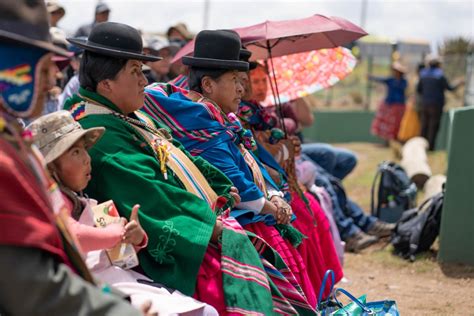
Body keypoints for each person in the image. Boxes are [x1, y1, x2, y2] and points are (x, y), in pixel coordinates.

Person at [64, 21, 312, 315]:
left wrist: (217, 184)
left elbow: (173, 150)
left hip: (200, 215)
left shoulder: (126, 116)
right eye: (134, 72)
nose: (144, 81)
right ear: (106, 84)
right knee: (225, 284)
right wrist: (211, 227)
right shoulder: (101, 133)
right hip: (166, 240)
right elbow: (150, 195)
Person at [0, 1, 146, 314]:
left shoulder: (12, 137)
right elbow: (33, 290)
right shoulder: (4, 158)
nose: (55, 80)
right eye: (44, 66)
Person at [28, 110, 219, 315]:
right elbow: (73, 235)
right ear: (50, 168)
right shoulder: (51, 205)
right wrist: (116, 233)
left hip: (120, 282)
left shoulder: (89, 204)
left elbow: (121, 259)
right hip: (87, 293)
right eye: (75, 152)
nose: (87, 158)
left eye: (85, 149)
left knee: (206, 312)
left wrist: (135, 239)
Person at [249, 63, 358, 181]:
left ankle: (327, 187)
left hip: (296, 146)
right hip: (285, 153)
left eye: (264, 80)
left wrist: (295, 91)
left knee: (348, 159)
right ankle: (326, 187)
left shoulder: (277, 101)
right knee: (326, 154)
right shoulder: (252, 111)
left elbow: (307, 121)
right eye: (255, 82)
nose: (261, 86)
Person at [417, 55, 464, 150]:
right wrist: (459, 83)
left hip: (425, 103)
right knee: (433, 126)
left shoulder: (423, 74)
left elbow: (418, 89)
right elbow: (450, 88)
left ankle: (421, 146)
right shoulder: (440, 75)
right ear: (438, 64)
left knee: (424, 125)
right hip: (436, 104)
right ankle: (430, 148)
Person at [369, 62, 408, 142]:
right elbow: (380, 79)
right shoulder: (391, 80)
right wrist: (371, 77)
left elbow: (403, 88)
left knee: (397, 123)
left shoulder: (403, 81)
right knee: (387, 123)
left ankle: (396, 139)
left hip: (399, 105)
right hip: (389, 104)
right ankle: (388, 139)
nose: (394, 72)